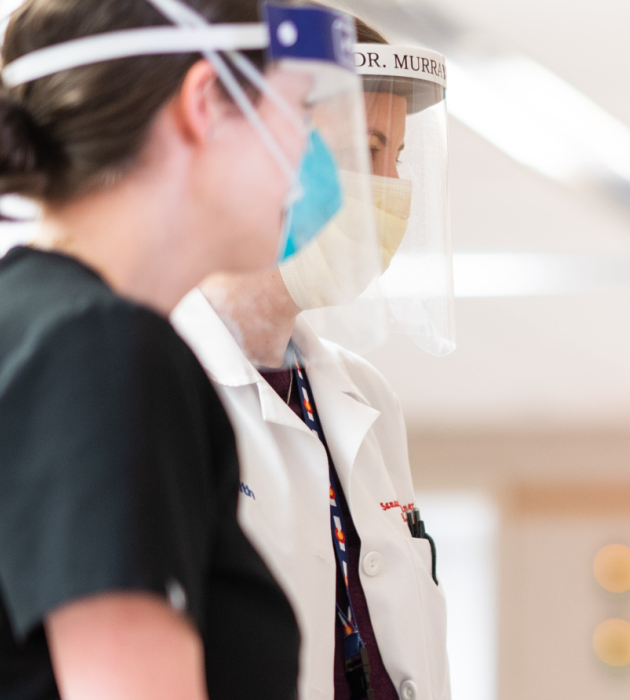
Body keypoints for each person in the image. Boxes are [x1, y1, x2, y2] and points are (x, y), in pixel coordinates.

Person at [0, 0, 379, 697]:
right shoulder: (92, 350)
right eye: (298, 111)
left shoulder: (27, 332)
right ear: (206, 103)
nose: (310, 156)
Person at [168, 15, 455, 700]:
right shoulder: (159, 381)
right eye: (368, 147)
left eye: (398, 158)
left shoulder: (365, 400)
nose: (391, 187)